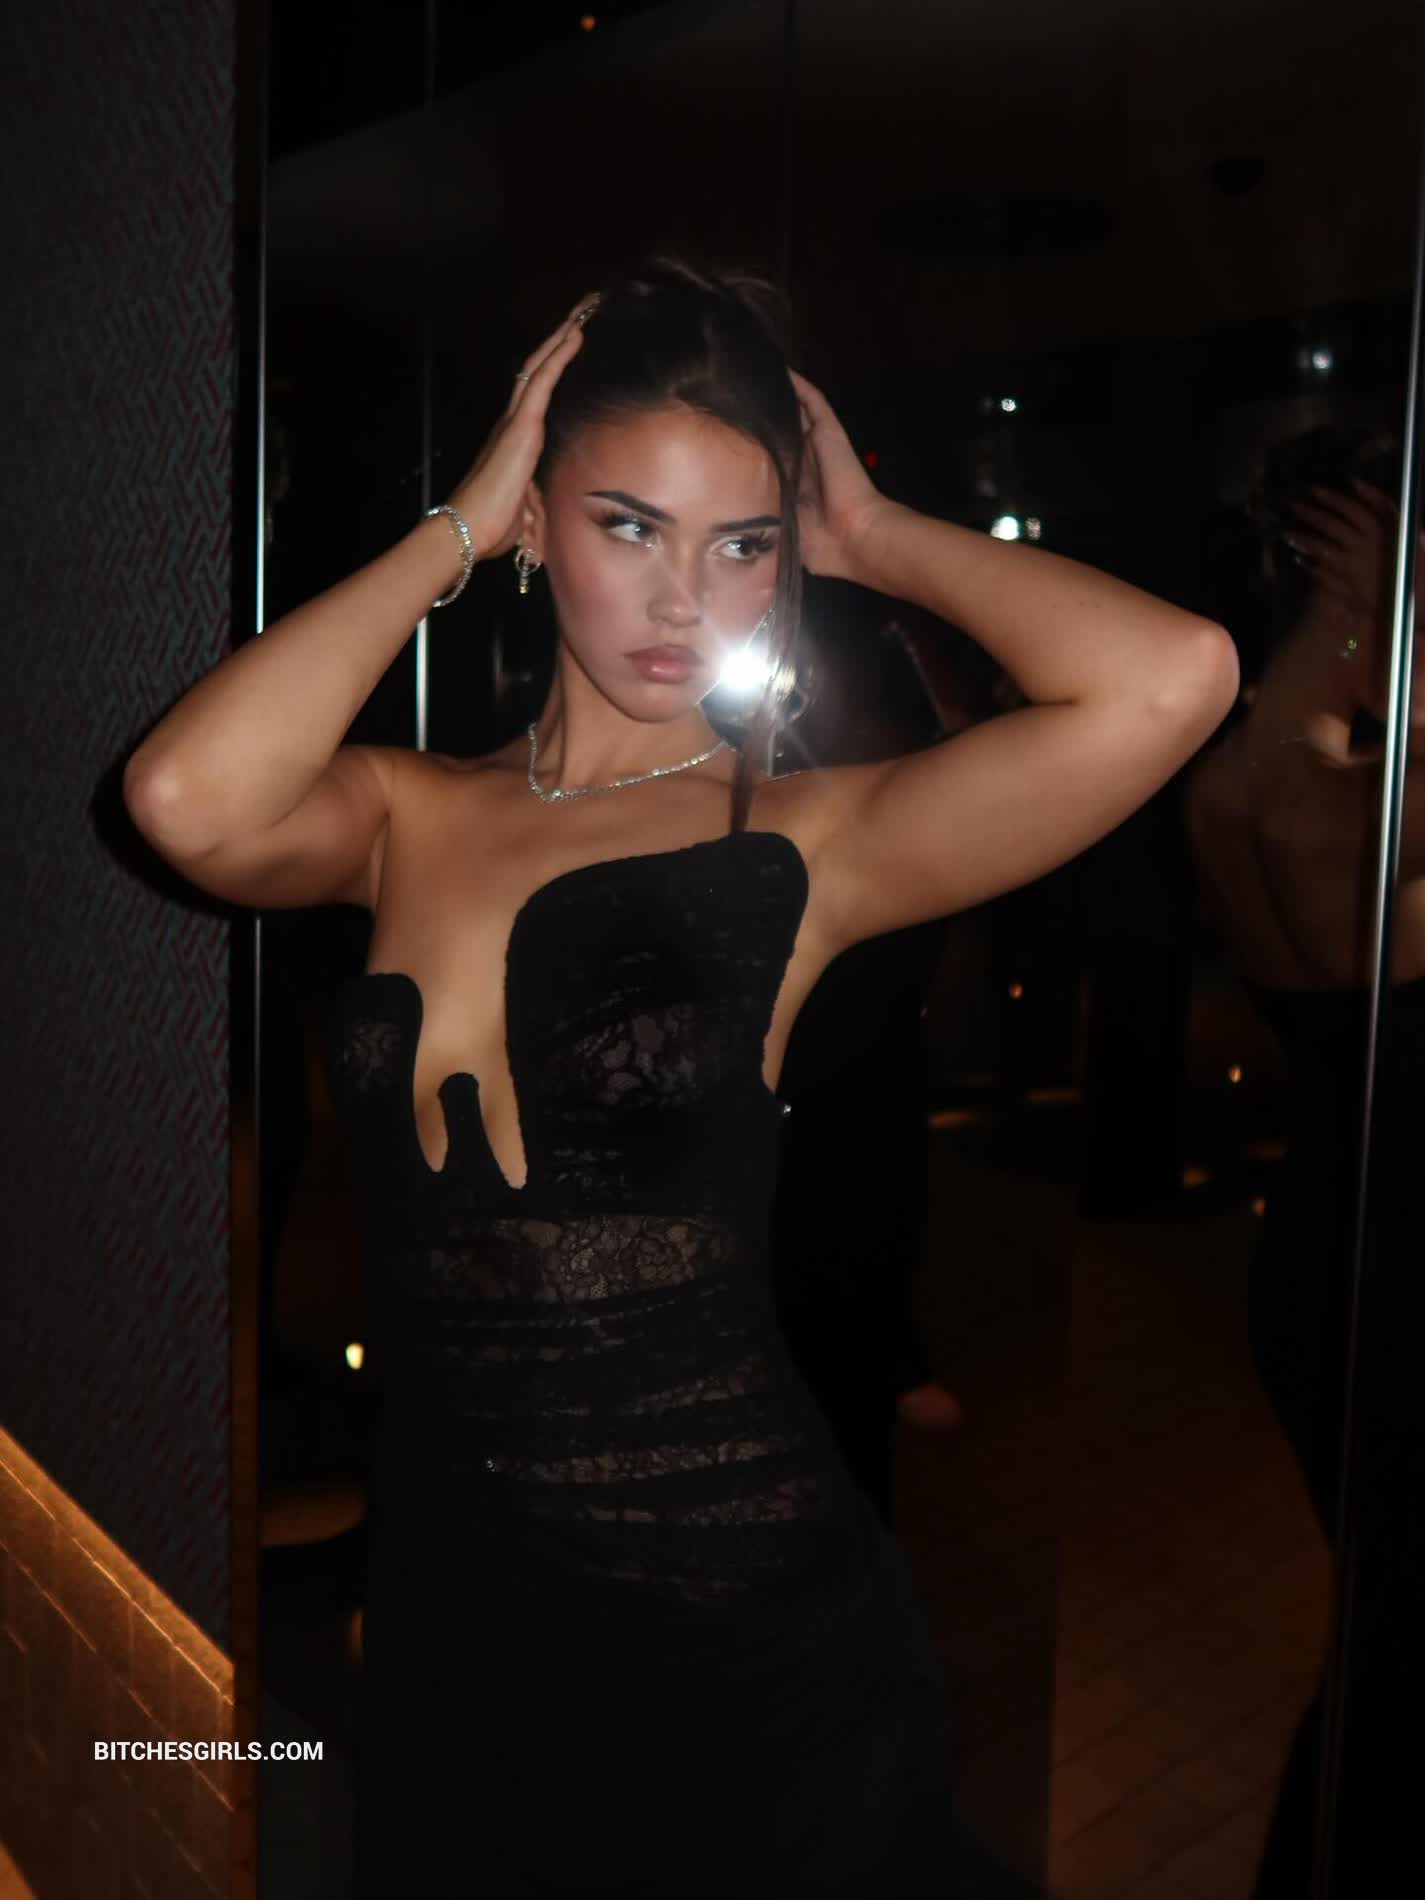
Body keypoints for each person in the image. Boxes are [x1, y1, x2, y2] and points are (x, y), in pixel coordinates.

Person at [124, 256, 1237, 1897]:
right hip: (453, 1629)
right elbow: (184, 800)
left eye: (741, 545)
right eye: (627, 525)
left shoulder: (804, 838)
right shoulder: (403, 811)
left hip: (742, 1650)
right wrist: (449, 530)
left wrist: (871, 534)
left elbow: (1175, 676)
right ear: (537, 521)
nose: (681, 601)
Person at [1182, 426, 1425, 1896]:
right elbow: (1327, 868)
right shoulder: (1325, 783)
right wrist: (1386, 625)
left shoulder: (1260, 754)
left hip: (1325, 1243)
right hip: (1384, 1266)